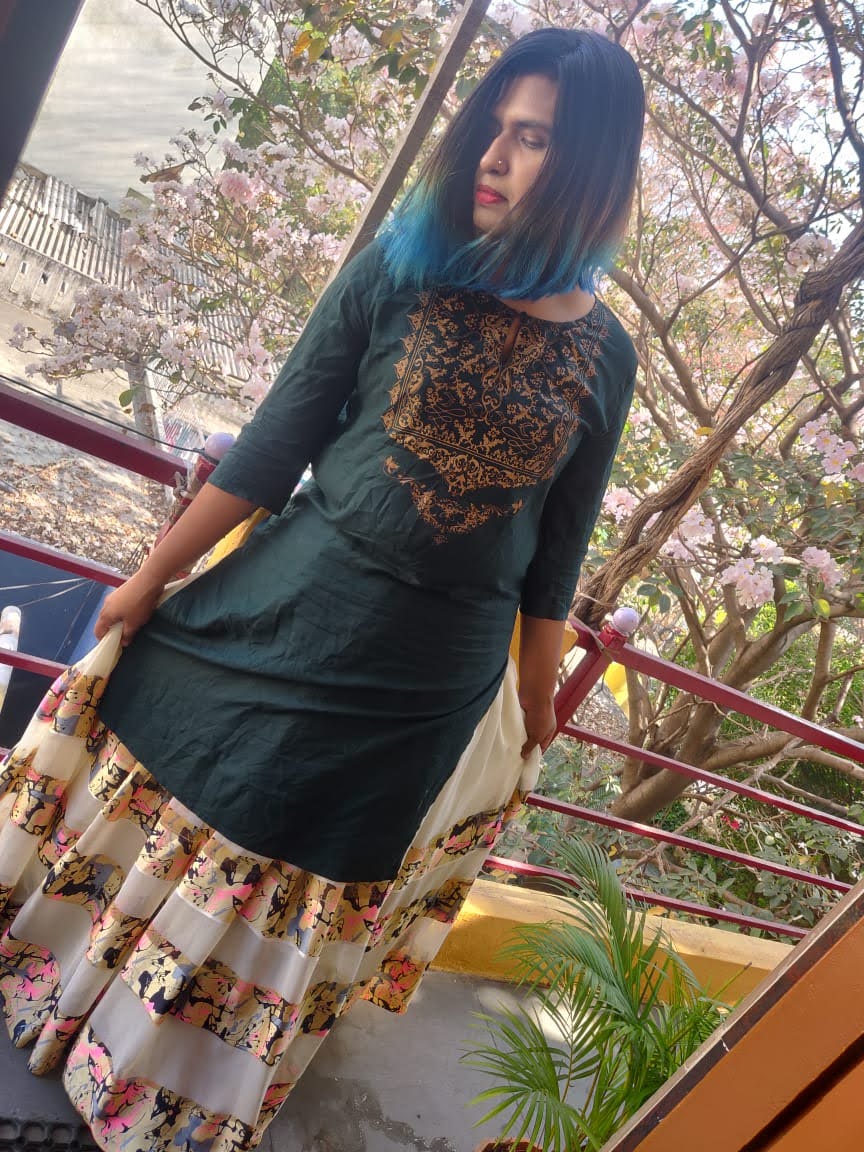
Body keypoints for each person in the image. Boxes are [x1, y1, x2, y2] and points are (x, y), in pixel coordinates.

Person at [0, 27, 644, 1152]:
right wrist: (149, 578)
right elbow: (274, 445)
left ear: (590, 164)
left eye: (534, 139)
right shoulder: (404, 268)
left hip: (426, 688)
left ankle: (162, 1093)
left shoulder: (609, 354)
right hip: (297, 607)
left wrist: (539, 708)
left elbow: (556, 558)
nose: (495, 156)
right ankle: (69, 1005)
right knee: (209, 777)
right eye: (493, 128)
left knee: (311, 862)